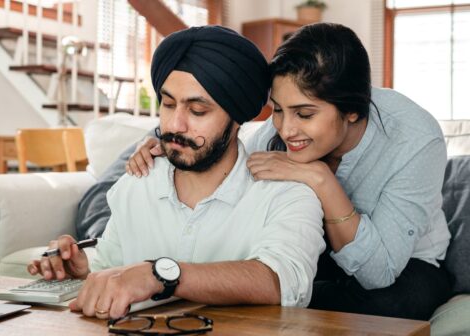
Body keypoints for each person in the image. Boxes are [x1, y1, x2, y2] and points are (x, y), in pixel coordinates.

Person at [125, 23, 452, 320]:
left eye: (305, 114)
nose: (286, 129)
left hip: (403, 264)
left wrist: (321, 179)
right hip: (316, 255)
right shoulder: (271, 137)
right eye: (278, 110)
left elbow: (379, 272)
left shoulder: (415, 139)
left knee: (395, 305)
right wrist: (166, 144)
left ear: (353, 111)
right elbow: (223, 152)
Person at [28, 25, 325, 320]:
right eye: (168, 104)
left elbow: (283, 283)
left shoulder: (287, 192)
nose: (175, 125)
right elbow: (111, 263)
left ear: (238, 118)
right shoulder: (138, 180)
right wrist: (82, 270)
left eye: (197, 111)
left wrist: (161, 275)